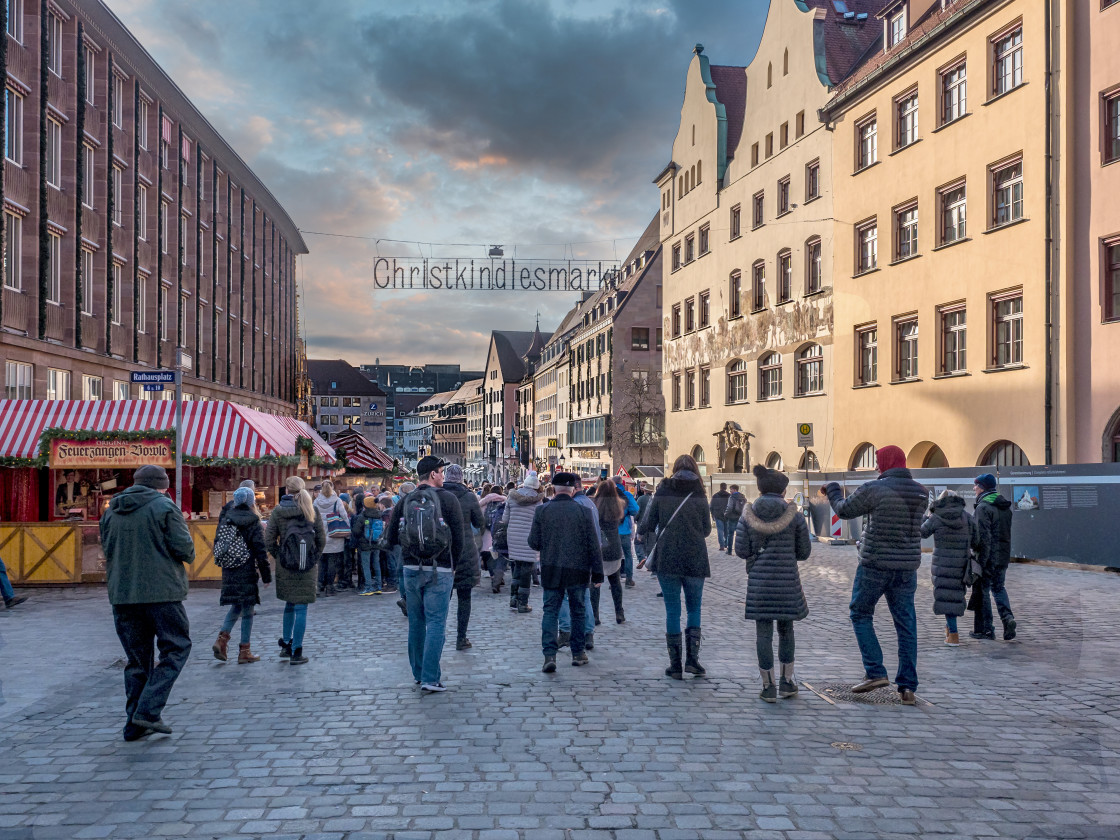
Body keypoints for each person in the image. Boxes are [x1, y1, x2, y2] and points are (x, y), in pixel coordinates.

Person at [823, 445, 927, 704]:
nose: (877, 467)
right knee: (906, 623)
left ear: (886, 463)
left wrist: (834, 491)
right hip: (906, 567)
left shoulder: (874, 489)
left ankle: (875, 671)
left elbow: (844, 510)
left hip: (875, 564)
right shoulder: (921, 492)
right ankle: (908, 687)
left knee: (860, 612)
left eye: (879, 462)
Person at [100, 464, 195, 740]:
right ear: (161, 485)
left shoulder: (111, 511)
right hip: (162, 592)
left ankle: (133, 724)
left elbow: (107, 549)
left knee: (137, 659)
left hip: (123, 594)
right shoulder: (165, 507)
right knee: (177, 647)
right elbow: (185, 550)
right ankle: (149, 710)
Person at [387, 456, 465, 693]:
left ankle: (419, 674)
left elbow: (391, 538)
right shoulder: (448, 499)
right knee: (436, 622)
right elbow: (460, 539)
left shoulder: (405, 500)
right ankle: (431, 678)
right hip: (440, 568)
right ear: (433, 474)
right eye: (441, 472)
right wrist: (453, 565)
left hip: (410, 569)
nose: (442, 476)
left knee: (416, 623)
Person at [735, 465, 811, 702]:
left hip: (760, 583)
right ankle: (787, 682)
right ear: (783, 490)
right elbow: (804, 552)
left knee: (763, 633)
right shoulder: (795, 517)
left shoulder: (748, 515)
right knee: (787, 630)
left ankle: (768, 686)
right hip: (787, 582)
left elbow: (741, 550)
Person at [638, 454, 712, 680]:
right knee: (694, 609)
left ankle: (675, 665)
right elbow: (707, 529)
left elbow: (649, 523)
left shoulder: (663, 489)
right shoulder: (699, 492)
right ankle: (692, 661)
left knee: (672, 610)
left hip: (668, 557)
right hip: (695, 557)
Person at [529, 472, 604, 672]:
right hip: (578, 571)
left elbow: (533, 542)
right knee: (578, 611)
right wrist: (597, 573)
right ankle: (578, 653)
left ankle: (549, 655)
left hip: (551, 569)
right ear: (572, 490)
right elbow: (593, 546)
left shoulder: (542, 511)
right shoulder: (583, 512)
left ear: (553, 489)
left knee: (550, 612)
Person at [265, 476, 326, 665]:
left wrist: (280, 557)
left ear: (286, 491)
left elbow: (268, 540)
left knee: (289, 604)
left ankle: (286, 644)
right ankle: (297, 651)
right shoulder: (311, 509)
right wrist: (313, 557)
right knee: (302, 608)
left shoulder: (278, 511)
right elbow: (321, 539)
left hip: (286, 566)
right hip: (306, 565)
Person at [211, 486, 271, 664]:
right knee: (247, 609)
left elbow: (218, 544)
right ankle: (244, 649)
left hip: (229, 569)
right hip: (246, 569)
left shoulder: (226, 518)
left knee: (237, 605)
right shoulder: (253, 521)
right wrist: (266, 575)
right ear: (252, 501)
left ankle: (222, 639)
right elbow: (260, 550)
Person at [920, 489, 979, 647]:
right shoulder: (966, 517)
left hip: (942, 564)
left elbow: (923, 532)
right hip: (961, 563)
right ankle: (949, 630)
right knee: (955, 596)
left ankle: (953, 634)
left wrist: (925, 516)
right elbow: (977, 540)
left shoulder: (936, 517)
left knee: (946, 596)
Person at [442, 464, 484, 650]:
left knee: (441, 598)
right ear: (461, 478)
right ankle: (461, 637)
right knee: (464, 597)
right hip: (465, 551)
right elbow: (480, 523)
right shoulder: (468, 496)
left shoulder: (437, 495)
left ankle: (438, 634)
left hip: (441, 551)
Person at [972, 473, 1017, 641]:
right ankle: (1007, 618)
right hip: (1003, 556)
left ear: (982, 487)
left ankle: (987, 629)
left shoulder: (983, 508)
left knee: (984, 591)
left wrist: (981, 561)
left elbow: (982, 538)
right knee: (998, 588)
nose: (974, 488)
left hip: (989, 557)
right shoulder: (1004, 507)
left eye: (976, 485)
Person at [500, 472, 544, 614]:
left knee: (517, 566)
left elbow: (505, 520)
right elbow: (540, 522)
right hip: (530, 538)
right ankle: (523, 603)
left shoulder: (511, 497)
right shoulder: (538, 500)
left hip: (513, 536)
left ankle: (513, 599)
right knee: (527, 568)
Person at [593, 480, 627, 624]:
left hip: (599, 546)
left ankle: (595, 616)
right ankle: (619, 613)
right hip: (613, 545)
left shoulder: (594, 505)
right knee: (615, 581)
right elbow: (621, 520)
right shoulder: (619, 504)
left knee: (595, 583)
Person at [314, 480, 349, 596]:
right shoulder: (337, 501)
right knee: (332, 562)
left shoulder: (316, 501)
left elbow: (312, 517)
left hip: (320, 535)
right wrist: (348, 529)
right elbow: (344, 515)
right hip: (334, 534)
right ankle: (330, 586)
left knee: (321, 561)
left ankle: (320, 585)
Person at [351, 495, 385, 595]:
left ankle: (368, 587)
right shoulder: (379, 515)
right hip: (377, 544)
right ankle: (378, 586)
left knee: (366, 566)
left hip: (365, 545)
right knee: (376, 565)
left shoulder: (363, 516)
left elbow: (356, 531)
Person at [612, 477, 640, 588]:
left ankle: (614, 580)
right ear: (622, 484)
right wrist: (626, 512)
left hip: (611, 530)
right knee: (627, 555)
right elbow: (635, 509)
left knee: (615, 556)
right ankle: (629, 580)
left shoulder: (609, 495)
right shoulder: (627, 495)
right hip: (624, 530)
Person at [478, 486, 507, 592]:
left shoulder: (484, 502)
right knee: (501, 557)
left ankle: (493, 576)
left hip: (486, 534)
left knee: (489, 557)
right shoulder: (505, 502)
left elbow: (479, 517)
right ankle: (498, 577)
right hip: (500, 534)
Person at [724, 485, 746, 555]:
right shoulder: (743, 497)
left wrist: (726, 514)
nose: (730, 492)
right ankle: (740, 550)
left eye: (731, 490)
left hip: (732, 517)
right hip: (740, 517)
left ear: (735, 490)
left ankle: (729, 550)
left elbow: (729, 507)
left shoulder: (732, 497)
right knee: (740, 535)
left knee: (730, 534)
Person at [709, 482, 731, 552]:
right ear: (726, 487)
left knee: (720, 531)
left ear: (720, 487)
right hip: (727, 515)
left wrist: (712, 514)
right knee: (726, 531)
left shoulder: (715, 496)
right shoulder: (729, 496)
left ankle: (722, 546)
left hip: (718, 515)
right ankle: (726, 544)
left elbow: (711, 506)